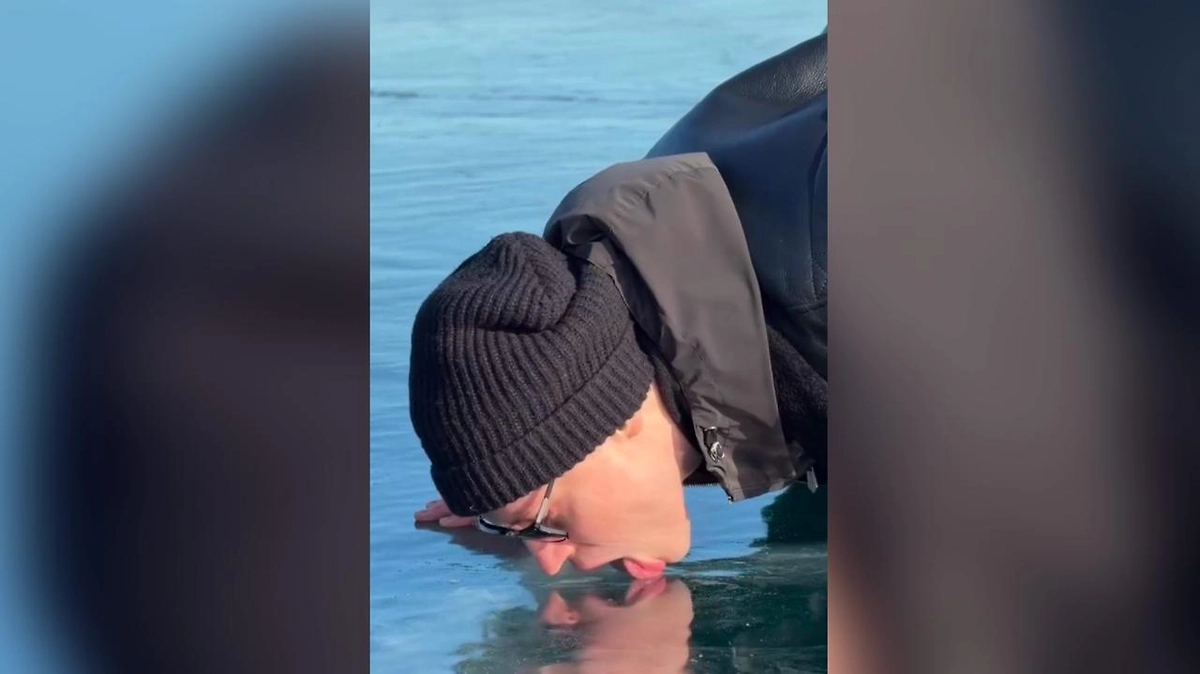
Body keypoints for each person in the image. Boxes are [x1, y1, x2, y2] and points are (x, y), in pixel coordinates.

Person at [411, 29, 828, 579]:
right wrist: (506, 491)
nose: (551, 565)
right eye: (527, 531)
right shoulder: (649, 252)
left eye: (547, 524)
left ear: (624, 424)